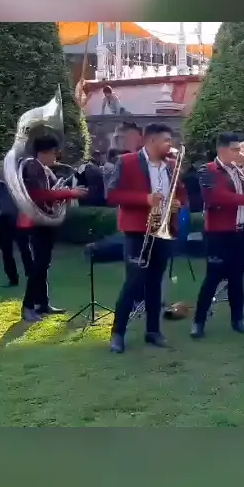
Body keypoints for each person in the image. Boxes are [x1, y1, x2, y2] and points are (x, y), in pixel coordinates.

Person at [105, 123, 187, 353]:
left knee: (155, 283)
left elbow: (181, 192)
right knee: (133, 283)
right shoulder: (127, 161)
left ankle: (153, 331)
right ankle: (118, 334)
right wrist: (145, 199)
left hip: (163, 230)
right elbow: (112, 194)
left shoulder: (171, 166)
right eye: (166, 141)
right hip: (137, 231)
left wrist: (179, 202)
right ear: (151, 141)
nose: (170, 145)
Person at [190, 132, 244, 338]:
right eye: (235, 150)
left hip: (243, 230)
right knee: (213, 277)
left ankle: (237, 319)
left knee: (236, 276)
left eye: (240, 149)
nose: (240, 154)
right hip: (219, 233)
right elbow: (216, 197)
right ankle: (198, 321)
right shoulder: (207, 170)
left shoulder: (241, 170)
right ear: (221, 150)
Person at [17, 134, 88, 322]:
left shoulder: (42, 168)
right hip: (37, 223)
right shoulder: (33, 167)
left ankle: (42, 303)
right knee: (39, 265)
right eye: (54, 153)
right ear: (45, 152)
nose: (56, 157)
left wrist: (64, 195)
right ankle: (28, 306)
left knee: (44, 265)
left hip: (45, 222)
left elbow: (51, 194)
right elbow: (38, 195)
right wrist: (69, 192)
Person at [0, 171, 33, 287]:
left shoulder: (15, 182)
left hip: (18, 220)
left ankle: (32, 274)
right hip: (2, 223)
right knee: (7, 252)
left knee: (25, 248)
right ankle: (13, 279)